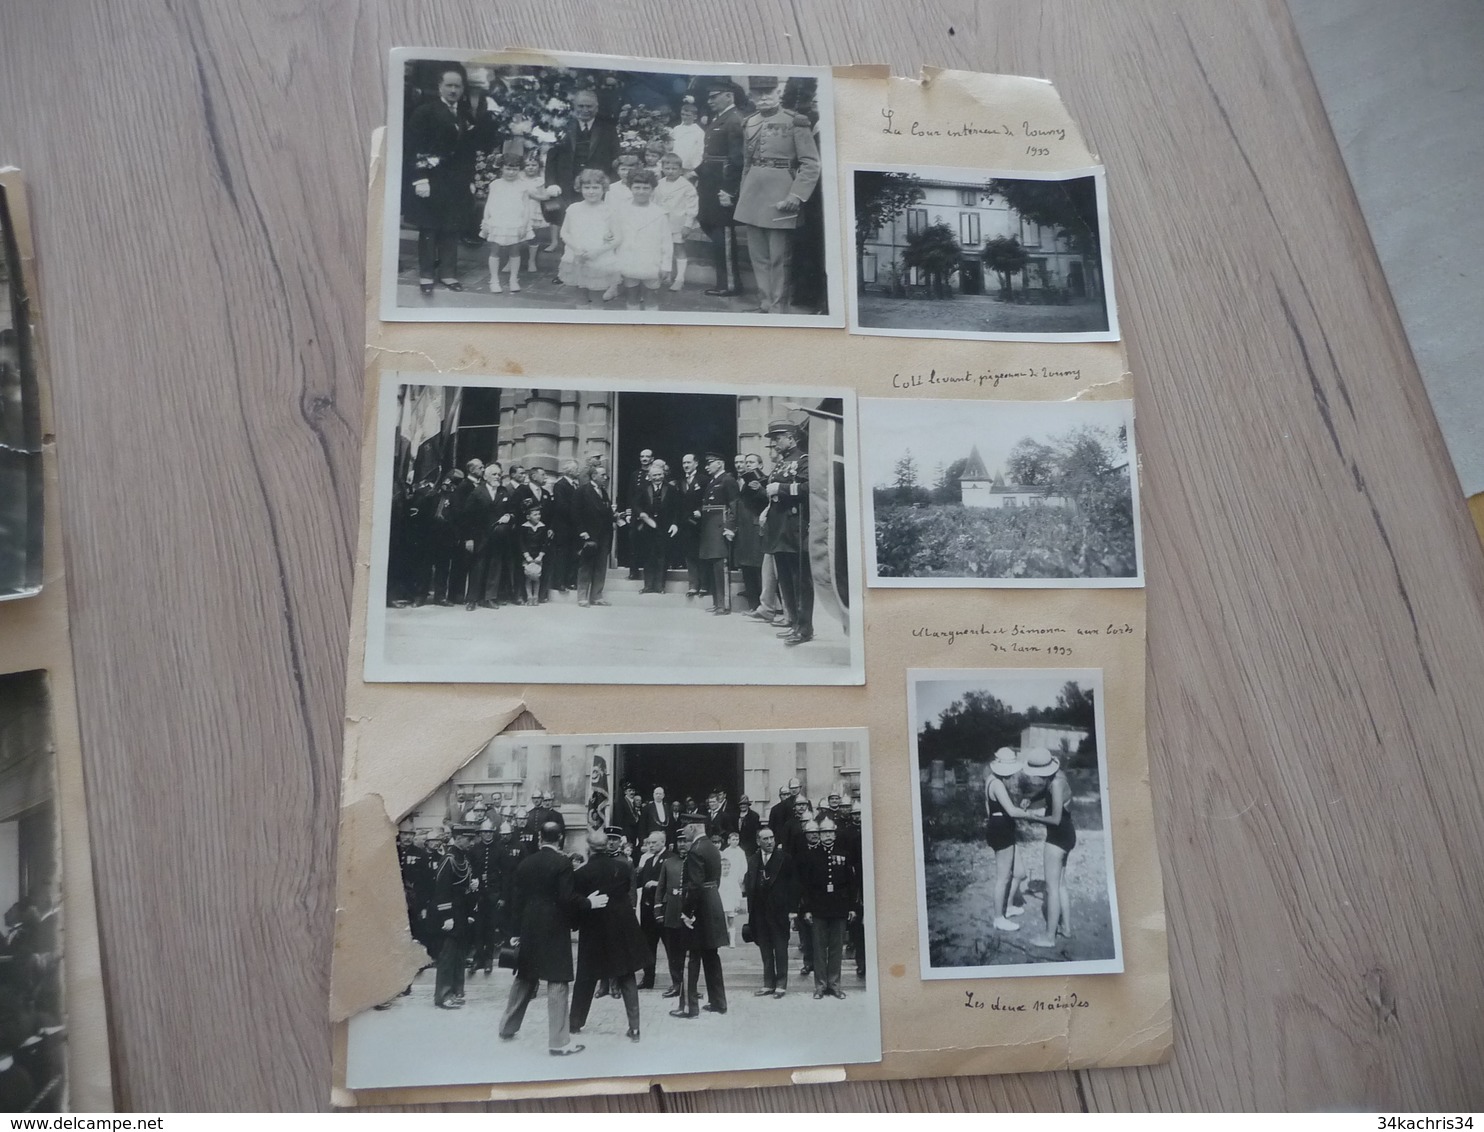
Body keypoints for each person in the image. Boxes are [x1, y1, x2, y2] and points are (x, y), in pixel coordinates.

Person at [498, 821, 609, 1056]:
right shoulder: (562, 863)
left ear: (540, 837)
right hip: (554, 928)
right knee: (557, 982)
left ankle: (507, 1027)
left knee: (525, 977)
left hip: (529, 927)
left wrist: (515, 933)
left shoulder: (525, 863)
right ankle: (558, 1042)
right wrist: (590, 903)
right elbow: (567, 898)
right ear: (560, 839)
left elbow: (516, 902)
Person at [734, 76, 821, 314]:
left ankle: (777, 308)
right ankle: (764, 303)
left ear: (777, 93)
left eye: (768, 92)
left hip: (781, 195)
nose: (763, 97)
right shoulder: (749, 122)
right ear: (751, 96)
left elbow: (811, 164)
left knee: (779, 258)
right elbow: (746, 163)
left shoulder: (796, 122)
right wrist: (743, 195)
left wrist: (796, 196)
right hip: (753, 195)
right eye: (757, 93)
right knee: (758, 257)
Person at [403, 66, 479, 295]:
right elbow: (413, 148)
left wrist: (469, 179)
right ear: (439, 87)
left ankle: (448, 274)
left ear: (463, 88)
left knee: (451, 228)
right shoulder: (424, 112)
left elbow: (468, 151)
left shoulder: (465, 115)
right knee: (429, 228)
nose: (453, 90)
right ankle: (426, 276)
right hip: (431, 180)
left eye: (458, 86)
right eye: (449, 85)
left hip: (455, 182)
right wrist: (419, 180)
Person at [569, 829, 649, 1042]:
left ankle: (575, 1023)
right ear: (606, 846)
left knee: (585, 977)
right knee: (626, 976)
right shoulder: (622, 868)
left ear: (588, 848)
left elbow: (578, 904)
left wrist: (575, 923)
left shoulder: (581, 874)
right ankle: (635, 1028)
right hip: (621, 929)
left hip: (594, 930)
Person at [543, 88, 620, 252]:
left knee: (595, 226)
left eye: (589, 106)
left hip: (596, 187)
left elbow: (616, 159)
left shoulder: (607, 129)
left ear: (596, 107)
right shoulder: (561, 126)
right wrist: (551, 184)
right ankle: (568, 265)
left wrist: (610, 185)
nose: (585, 110)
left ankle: (593, 264)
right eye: (581, 106)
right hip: (567, 186)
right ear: (574, 106)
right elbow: (551, 159)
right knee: (570, 225)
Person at [1018, 748, 1077, 948]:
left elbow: (1055, 819)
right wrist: (1032, 798)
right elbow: (1046, 789)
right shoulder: (1058, 777)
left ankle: (1049, 938)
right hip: (1068, 835)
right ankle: (1066, 929)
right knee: (1060, 885)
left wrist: (1033, 817)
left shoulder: (1057, 785)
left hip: (1057, 837)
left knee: (1051, 890)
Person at [671, 816, 729, 1018]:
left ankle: (689, 1007)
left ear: (693, 827)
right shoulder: (712, 848)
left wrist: (687, 912)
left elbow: (694, 886)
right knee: (711, 956)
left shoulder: (695, 850)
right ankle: (718, 1002)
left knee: (691, 957)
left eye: (685, 829)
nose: (683, 834)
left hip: (699, 909)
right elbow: (715, 879)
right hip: (712, 902)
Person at [763, 419, 813, 645]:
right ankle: (793, 623)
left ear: (792, 438)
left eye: (778, 437)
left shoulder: (804, 460)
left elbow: (808, 487)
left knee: (800, 580)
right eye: (773, 438)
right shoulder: (781, 463)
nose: (774, 442)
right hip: (778, 529)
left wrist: (780, 488)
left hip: (794, 528)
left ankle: (804, 629)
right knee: (785, 579)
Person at [696, 80, 746, 296]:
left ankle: (729, 284)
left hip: (722, 185)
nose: (710, 101)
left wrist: (729, 190)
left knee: (722, 234)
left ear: (729, 96)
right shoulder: (721, 118)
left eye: (714, 96)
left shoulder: (734, 120)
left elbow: (737, 159)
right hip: (710, 183)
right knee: (708, 224)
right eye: (709, 97)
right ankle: (724, 282)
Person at [480, 154, 557, 294]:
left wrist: (524, 224)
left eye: (515, 169)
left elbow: (526, 207)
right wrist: (486, 221)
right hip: (498, 220)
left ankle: (513, 279)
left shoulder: (523, 186)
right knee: (495, 250)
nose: (511, 172)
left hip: (516, 221)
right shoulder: (495, 184)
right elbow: (489, 204)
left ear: (519, 170)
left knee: (514, 251)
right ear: (502, 169)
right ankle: (494, 280)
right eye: (508, 169)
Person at [798, 817, 857, 1000]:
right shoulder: (810, 856)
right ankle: (820, 986)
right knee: (818, 948)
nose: (828, 836)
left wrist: (852, 907)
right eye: (824, 833)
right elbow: (806, 886)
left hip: (839, 907)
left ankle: (835, 985)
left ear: (835, 833)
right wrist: (806, 909)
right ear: (819, 835)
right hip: (818, 908)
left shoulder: (844, 854)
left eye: (830, 832)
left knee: (836, 948)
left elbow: (851, 884)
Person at [557, 169, 621, 308]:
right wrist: (576, 248)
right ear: (580, 188)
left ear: (603, 189)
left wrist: (597, 252)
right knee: (580, 295)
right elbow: (564, 232)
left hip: (599, 259)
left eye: (595, 188)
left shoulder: (610, 211)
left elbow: (617, 238)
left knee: (597, 296)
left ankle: (596, 323)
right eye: (587, 187)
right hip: (577, 257)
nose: (591, 192)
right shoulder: (573, 209)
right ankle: (582, 321)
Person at [743, 827, 795, 997]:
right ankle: (768, 984)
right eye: (765, 839)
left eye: (771, 838)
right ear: (758, 841)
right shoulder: (752, 860)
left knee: (780, 949)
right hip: (759, 913)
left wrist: (793, 910)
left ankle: (781, 984)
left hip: (779, 912)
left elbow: (794, 885)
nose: (769, 842)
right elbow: (749, 883)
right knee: (765, 949)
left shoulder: (785, 859)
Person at [614, 168, 673, 311]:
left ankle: (650, 325)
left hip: (651, 262)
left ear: (652, 189)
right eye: (637, 187)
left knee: (651, 297)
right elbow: (614, 236)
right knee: (631, 295)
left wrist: (666, 266)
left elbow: (666, 242)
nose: (641, 191)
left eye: (646, 188)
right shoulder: (621, 210)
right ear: (630, 188)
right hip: (628, 260)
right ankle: (633, 325)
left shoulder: (659, 213)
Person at [431, 827, 476, 1008]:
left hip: (461, 912)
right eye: (468, 839)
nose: (472, 843)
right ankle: (443, 995)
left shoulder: (462, 858)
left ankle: (456, 991)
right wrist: (446, 917)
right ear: (457, 839)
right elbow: (441, 891)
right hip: (450, 913)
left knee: (459, 955)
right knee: (448, 955)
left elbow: (461, 885)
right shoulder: (448, 860)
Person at [696, 452, 738, 613]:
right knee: (712, 564)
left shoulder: (727, 480)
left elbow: (734, 505)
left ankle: (723, 604)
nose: (706, 467)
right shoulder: (713, 481)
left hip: (720, 526)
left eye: (710, 463)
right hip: (709, 526)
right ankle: (717, 602)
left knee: (720, 565)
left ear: (720, 463)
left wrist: (730, 526)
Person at [654, 153, 700, 292]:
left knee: (678, 249)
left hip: (678, 222)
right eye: (667, 168)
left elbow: (692, 206)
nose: (670, 171)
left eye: (674, 169)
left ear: (680, 170)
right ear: (662, 169)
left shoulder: (686, 186)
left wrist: (688, 224)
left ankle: (680, 278)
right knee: (663, 250)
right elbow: (655, 202)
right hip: (662, 223)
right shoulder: (659, 183)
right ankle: (666, 275)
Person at [574, 465, 616, 607]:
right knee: (586, 566)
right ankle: (582, 597)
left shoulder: (603, 492)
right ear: (594, 476)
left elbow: (606, 512)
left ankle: (597, 596)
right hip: (589, 534)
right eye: (603, 475)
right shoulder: (582, 491)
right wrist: (581, 531)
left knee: (600, 566)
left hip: (604, 535)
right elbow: (575, 513)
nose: (606, 478)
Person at [634, 464, 678, 594]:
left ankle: (660, 586)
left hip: (664, 527)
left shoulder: (671, 488)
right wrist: (641, 514)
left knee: (662, 556)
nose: (658, 477)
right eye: (655, 475)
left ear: (663, 475)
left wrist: (675, 524)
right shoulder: (642, 488)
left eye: (660, 474)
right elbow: (636, 504)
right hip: (647, 527)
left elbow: (677, 509)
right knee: (648, 556)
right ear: (650, 476)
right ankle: (648, 586)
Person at [633, 831, 670, 989]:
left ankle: (677, 982)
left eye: (654, 843)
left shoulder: (670, 858)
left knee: (670, 946)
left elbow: (673, 881)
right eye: (649, 843)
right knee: (648, 946)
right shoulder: (647, 861)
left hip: (663, 909)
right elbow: (639, 882)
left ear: (663, 842)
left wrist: (656, 883)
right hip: (648, 910)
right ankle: (648, 979)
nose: (650, 845)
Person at [549, 460, 583, 593]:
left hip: (573, 526)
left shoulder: (576, 484)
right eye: (576, 469)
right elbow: (561, 505)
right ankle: (559, 582)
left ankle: (570, 581)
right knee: (562, 555)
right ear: (569, 471)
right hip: (563, 526)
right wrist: (576, 512)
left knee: (573, 554)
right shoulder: (560, 485)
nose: (578, 471)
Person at [678, 453, 709, 598]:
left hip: (700, 524)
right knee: (689, 554)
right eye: (684, 463)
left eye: (688, 462)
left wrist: (701, 510)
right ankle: (693, 585)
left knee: (701, 554)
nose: (686, 465)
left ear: (696, 463)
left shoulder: (703, 480)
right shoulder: (680, 481)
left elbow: (709, 498)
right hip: (686, 524)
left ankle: (704, 585)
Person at [719, 831, 748, 947]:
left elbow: (744, 865)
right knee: (721, 920)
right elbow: (723, 863)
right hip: (722, 898)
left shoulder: (741, 852)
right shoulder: (726, 852)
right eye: (733, 839)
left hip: (735, 877)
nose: (735, 842)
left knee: (731, 919)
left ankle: (732, 940)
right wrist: (724, 868)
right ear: (728, 841)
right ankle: (722, 939)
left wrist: (741, 876)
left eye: (737, 839)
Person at [670, 97, 705, 175]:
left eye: (688, 115)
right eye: (682, 114)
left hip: (689, 168)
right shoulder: (676, 129)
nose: (684, 117)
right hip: (675, 165)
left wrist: (695, 168)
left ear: (695, 117)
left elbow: (700, 151)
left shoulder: (699, 132)